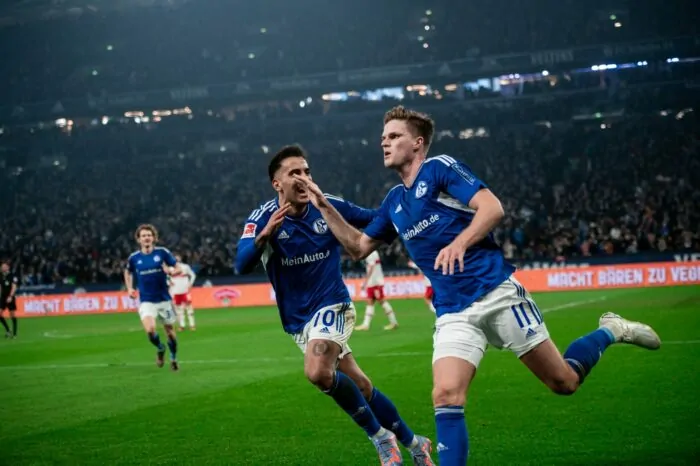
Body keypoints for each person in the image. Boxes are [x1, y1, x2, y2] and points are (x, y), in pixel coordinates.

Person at [292, 106, 662, 465]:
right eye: (383, 137)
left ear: (418, 142)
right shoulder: (394, 202)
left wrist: (461, 242)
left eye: (393, 136)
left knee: (563, 382)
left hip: (496, 292)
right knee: (445, 394)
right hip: (453, 311)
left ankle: (612, 329)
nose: (384, 142)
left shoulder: (439, 169)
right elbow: (358, 247)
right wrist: (324, 205)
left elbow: (492, 207)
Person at [235, 145, 434, 466]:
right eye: (294, 173)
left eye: (307, 171)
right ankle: (415, 444)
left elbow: (376, 219)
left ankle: (380, 437)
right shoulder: (261, 218)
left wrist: (412, 212)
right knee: (362, 386)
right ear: (277, 183)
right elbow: (241, 264)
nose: (304, 178)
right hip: (298, 321)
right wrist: (265, 236)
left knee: (317, 372)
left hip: (333, 305)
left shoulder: (327, 203)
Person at [124, 224, 181, 371]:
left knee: (171, 333)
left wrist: (171, 271)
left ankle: (173, 358)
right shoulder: (134, 258)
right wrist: (129, 288)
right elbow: (127, 272)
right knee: (150, 330)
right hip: (147, 301)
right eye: (143, 236)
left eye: (149, 235)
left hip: (164, 300)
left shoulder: (162, 252)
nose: (146, 238)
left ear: (154, 238)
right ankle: (160, 348)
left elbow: (178, 268)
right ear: (139, 239)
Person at [355, 250, 399, 331]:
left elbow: (372, 266)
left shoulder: (370, 253)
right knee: (370, 301)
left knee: (381, 301)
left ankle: (394, 322)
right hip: (373, 282)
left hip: (375, 282)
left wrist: (365, 281)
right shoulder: (373, 252)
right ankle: (366, 324)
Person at [169, 254, 197, 331]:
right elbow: (166, 277)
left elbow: (193, 275)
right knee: (179, 309)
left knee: (189, 308)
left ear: (180, 259)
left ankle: (192, 325)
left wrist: (190, 283)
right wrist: (168, 283)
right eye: (175, 258)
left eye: (178, 258)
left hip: (185, 290)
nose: (176, 259)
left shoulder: (185, 267)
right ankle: (182, 325)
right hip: (175, 291)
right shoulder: (170, 268)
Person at [0, 261, 19, 338]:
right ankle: (8, 330)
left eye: (4, 266)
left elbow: (14, 287)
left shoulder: (12, 276)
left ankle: (14, 333)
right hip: (2, 297)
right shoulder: (0, 275)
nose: (2, 268)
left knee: (12, 314)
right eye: (2, 267)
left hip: (10, 297)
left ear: (8, 267)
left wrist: (10, 296)